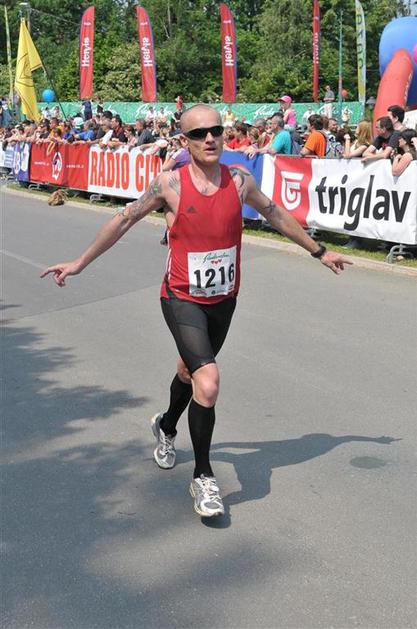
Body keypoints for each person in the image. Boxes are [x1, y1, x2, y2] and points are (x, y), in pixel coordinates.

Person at [41, 104, 351, 519]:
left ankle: (166, 425)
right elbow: (123, 220)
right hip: (181, 297)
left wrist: (320, 251)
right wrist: (80, 263)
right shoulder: (169, 184)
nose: (209, 138)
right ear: (184, 141)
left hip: (223, 299)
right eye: (199, 133)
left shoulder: (239, 181)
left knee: (189, 372)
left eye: (216, 131)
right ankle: (204, 477)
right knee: (209, 380)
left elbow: (275, 213)